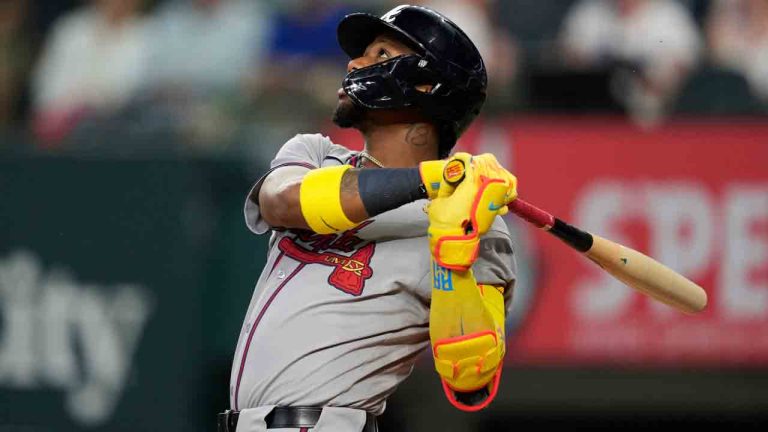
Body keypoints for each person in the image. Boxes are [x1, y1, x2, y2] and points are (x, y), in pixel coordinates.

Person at [218, 5, 518, 432]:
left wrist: (455, 258)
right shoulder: (315, 154)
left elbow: (471, 378)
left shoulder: (473, 219)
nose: (354, 63)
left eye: (379, 55)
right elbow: (282, 203)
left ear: (426, 84)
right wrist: (429, 179)